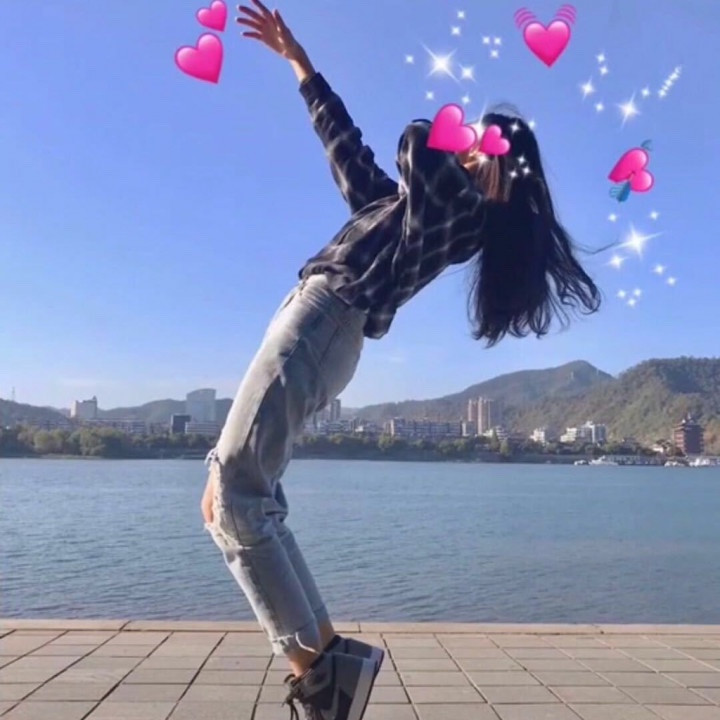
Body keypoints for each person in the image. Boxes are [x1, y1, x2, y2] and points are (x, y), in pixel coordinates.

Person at [200, 1, 602, 717]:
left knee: (239, 496)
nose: (466, 138)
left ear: (496, 168)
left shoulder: (459, 207)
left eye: (480, 139)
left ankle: (322, 680)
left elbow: (417, 138)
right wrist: (299, 62)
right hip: (317, 319)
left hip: (326, 319)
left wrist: (460, 145)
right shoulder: (415, 208)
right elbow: (350, 155)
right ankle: (331, 665)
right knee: (226, 499)